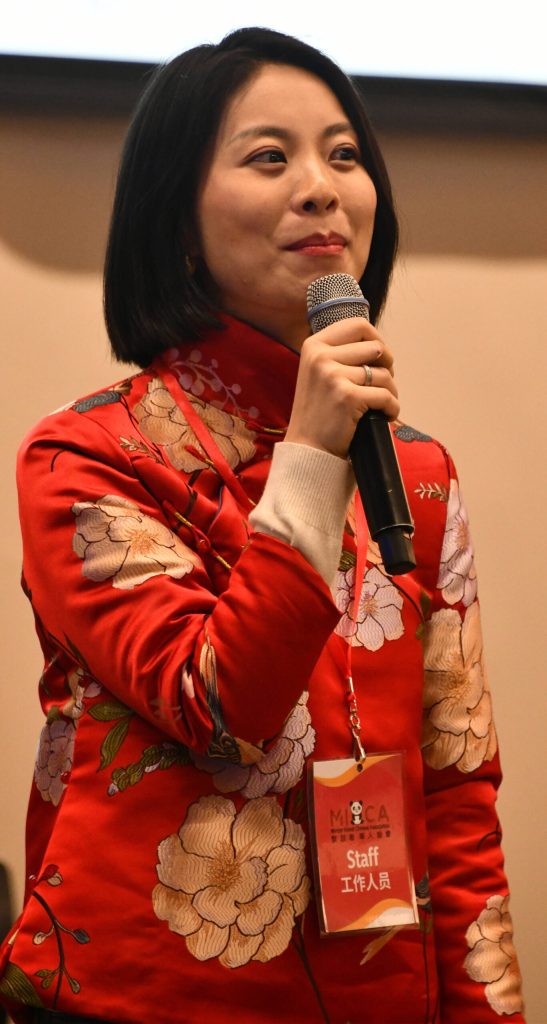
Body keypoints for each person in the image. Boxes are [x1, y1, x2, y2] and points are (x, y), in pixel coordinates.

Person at [0, 26, 525, 1024]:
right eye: (269, 157)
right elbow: (219, 704)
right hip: (139, 1002)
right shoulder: (85, 456)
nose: (323, 187)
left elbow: (458, 788)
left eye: (342, 153)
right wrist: (314, 458)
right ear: (178, 216)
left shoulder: (416, 470)